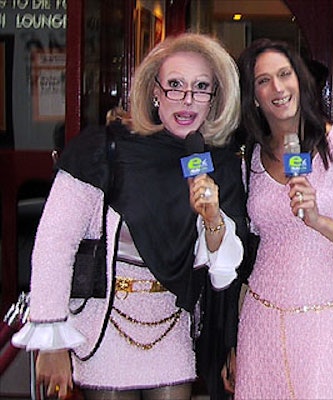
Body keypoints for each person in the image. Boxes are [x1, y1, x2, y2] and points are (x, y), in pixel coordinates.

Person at [12, 33, 248, 400]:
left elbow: (221, 273)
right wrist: (51, 339)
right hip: (107, 325)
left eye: (201, 87)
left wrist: (212, 214)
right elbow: (55, 241)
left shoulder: (216, 163)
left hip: (170, 325)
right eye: (175, 85)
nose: (187, 100)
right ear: (154, 90)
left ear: (215, 98)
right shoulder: (103, 147)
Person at [229, 38, 333, 400]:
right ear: (254, 96)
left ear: (300, 81)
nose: (277, 88)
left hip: (321, 323)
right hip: (259, 318)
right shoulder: (251, 159)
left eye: (284, 74)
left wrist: (319, 221)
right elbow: (249, 248)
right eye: (263, 80)